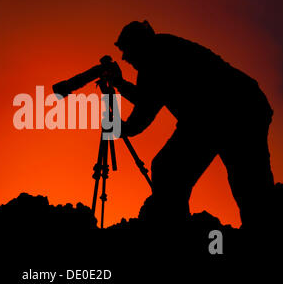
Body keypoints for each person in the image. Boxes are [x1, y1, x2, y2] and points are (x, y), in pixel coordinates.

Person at [109, 20, 274, 228]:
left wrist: (119, 128)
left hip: (228, 114)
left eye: (126, 50)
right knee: (248, 185)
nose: (124, 57)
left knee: (170, 170)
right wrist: (120, 85)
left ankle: (177, 230)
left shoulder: (155, 59)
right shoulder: (160, 50)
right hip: (229, 111)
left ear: (138, 45)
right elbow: (148, 98)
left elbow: (143, 113)